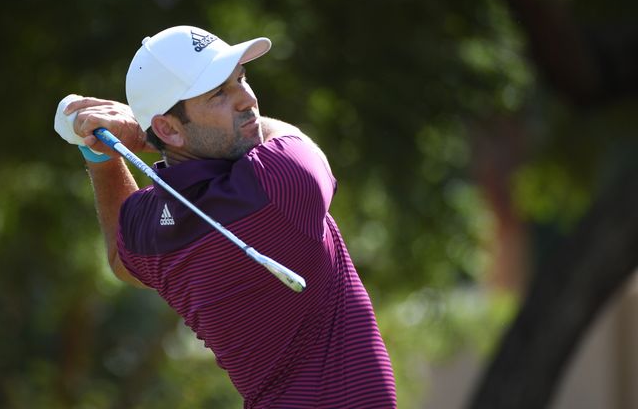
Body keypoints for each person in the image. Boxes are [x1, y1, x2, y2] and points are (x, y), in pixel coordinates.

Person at [55, 25, 397, 408]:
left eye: (241, 79)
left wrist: (102, 155)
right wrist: (139, 136)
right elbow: (290, 138)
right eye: (220, 93)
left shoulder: (150, 226)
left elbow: (122, 261)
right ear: (169, 127)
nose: (247, 99)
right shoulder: (282, 182)